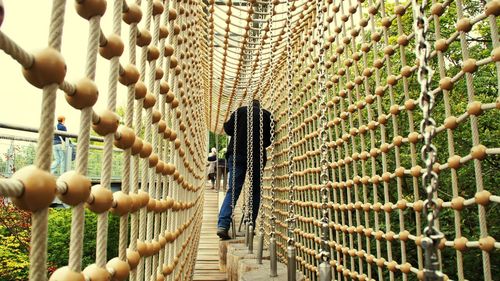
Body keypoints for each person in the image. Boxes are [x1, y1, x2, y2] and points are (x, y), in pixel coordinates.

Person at [217, 100, 273, 240]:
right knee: (255, 190)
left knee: (233, 189)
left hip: (237, 154)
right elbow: (269, 140)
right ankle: (250, 225)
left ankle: (223, 225)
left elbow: (228, 129)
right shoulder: (267, 115)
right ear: (259, 106)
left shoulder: (240, 111)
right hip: (257, 156)